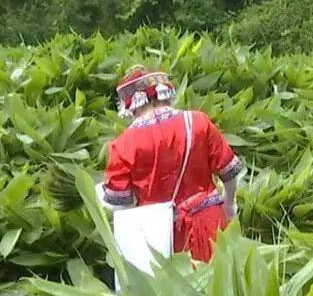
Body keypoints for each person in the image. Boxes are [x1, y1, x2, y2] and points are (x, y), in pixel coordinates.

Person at [96, 66, 244, 262]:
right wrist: (229, 206)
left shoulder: (123, 145)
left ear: (130, 104)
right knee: (220, 284)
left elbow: (121, 205)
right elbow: (230, 172)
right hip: (210, 223)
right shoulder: (198, 122)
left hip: (159, 236)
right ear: (165, 92)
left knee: (172, 289)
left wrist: (99, 195)